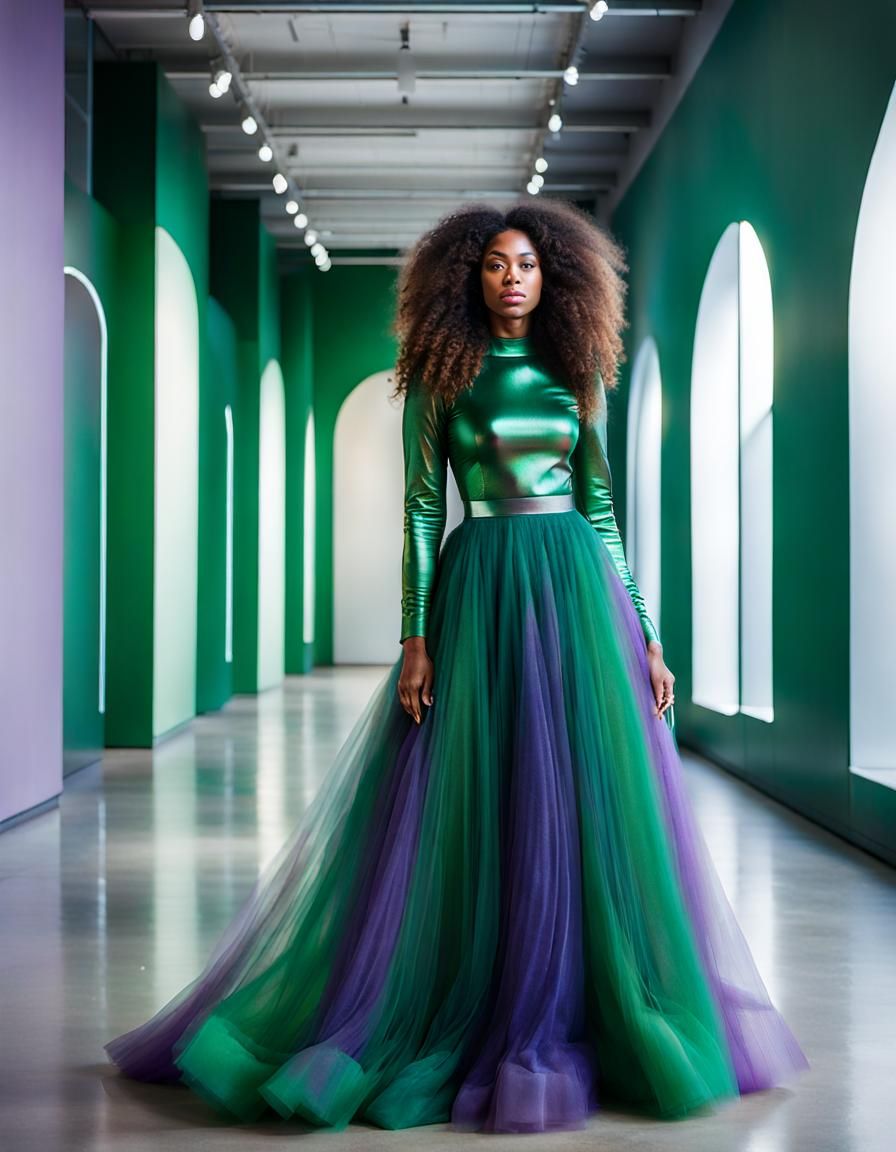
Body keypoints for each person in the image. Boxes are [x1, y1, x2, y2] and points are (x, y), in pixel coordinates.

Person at [104, 199, 809, 1134]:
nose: (511, 277)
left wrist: (646, 633)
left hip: (575, 593)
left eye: (526, 264)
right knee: (478, 795)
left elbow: (600, 508)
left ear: (553, 276)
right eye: (493, 266)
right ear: (466, 279)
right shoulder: (446, 376)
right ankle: (468, 993)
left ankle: (589, 998)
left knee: (584, 802)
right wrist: (414, 638)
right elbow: (422, 515)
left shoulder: (576, 373)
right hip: (480, 590)